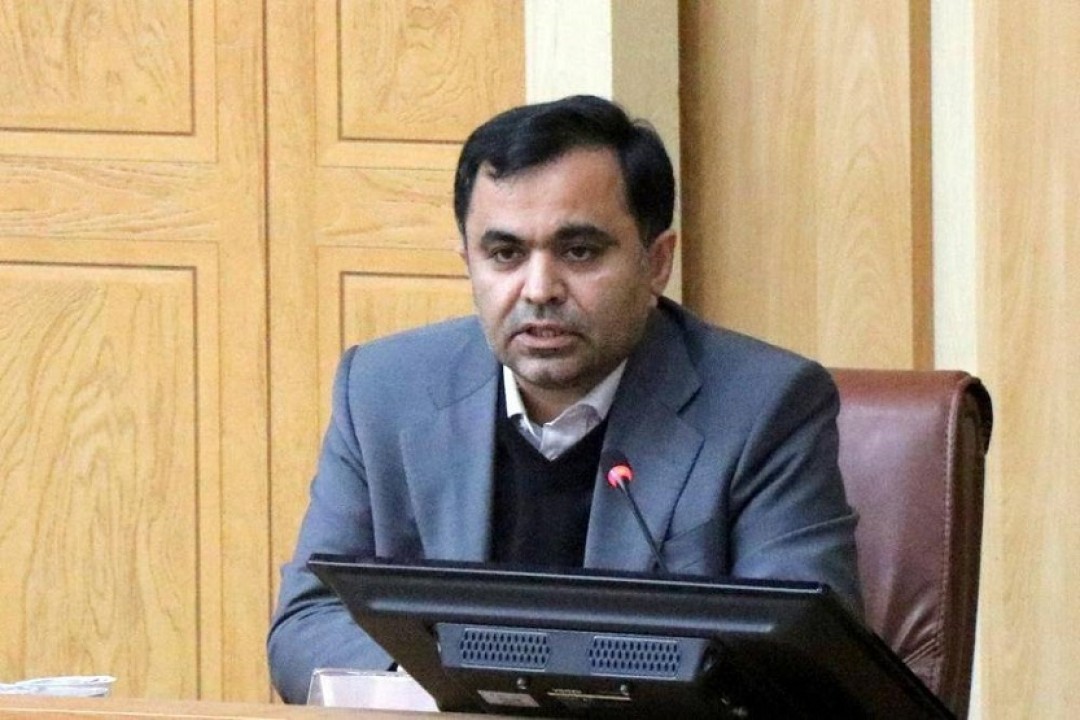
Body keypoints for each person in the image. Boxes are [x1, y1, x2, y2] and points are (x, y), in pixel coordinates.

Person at [267, 95, 861, 703]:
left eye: (579, 252)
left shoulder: (764, 407)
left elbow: (801, 665)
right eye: (505, 254)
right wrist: (440, 689)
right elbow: (308, 621)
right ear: (468, 261)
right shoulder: (384, 390)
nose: (539, 289)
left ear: (656, 262)